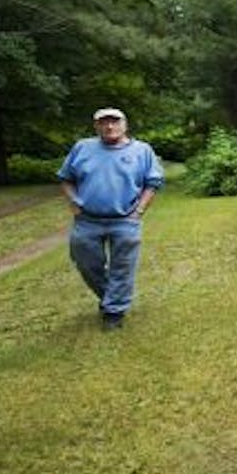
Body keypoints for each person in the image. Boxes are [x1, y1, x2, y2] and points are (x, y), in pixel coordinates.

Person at [57, 107, 165, 329]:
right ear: (96, 126)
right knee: (86, 263)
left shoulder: (141, 150)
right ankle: (112, 299)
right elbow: (66, 178)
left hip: (125, 220)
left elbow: (152, 183)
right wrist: (74, 203)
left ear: (125, 125)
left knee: (123, 267)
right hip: (87, 220)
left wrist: (139, 210)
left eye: (114, 122)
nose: (109, 127)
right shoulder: (82, 148)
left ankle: (114, 313)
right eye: (103, 123)